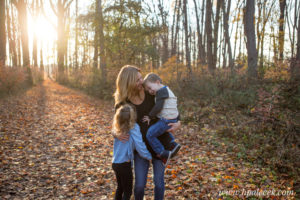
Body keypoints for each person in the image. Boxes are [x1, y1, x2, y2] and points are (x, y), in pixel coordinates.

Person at [113, 65, 181, 200]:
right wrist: (116, 133)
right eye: (138, 80)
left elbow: (170, 107)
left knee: (159, 184)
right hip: (140, 149)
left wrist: (179, 122)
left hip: (159, 146)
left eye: (141, 78)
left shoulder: (151, 93)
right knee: (138, 186)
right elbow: (116, 125)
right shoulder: (123, 104)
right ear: (129, 82)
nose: (142, 82)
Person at [112, 103, 152, 200]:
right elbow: (140, 145)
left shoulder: (117, 127)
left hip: (115, 163)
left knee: (120, 188)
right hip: (124, 165)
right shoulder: (134, 127)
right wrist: (148, 156)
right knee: (128, 192)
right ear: (132, 117)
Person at [142, 73, 181, 166]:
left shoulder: (161, 92)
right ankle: (173, 145)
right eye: (148, 90)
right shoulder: (167, 90)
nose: (150, 91)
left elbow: (158, 106)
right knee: (162, 130)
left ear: (157, 82)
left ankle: (162, 153)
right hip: (172, 118)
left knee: (150, 134)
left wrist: (150, 116)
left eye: (150, 88)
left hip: (166, 119)